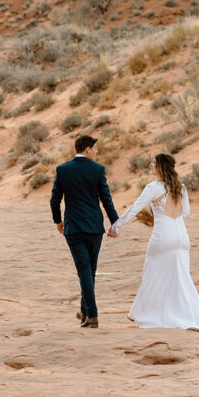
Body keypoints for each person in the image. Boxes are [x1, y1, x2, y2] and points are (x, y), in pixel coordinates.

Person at [108, 152, 199, 336]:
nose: (150, 164)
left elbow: (135, 208)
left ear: (160, 166)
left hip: (163, 237)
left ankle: (144, 313)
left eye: (153, 162)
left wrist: (116, 226)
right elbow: (186, 212)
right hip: (182, 237)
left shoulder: (153, 187)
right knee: (180, 277)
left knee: (152, 273)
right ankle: (179, 312)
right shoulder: (181, 187)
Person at [50, 134, 119, 329]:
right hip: (95, 227)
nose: (97, 152)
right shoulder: (97, 170)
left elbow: (54, 200)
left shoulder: (62, 170)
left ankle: (91, 315)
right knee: (90, 270)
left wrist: (58, 221)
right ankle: (85, 311)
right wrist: (115, 222)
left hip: (73, 228)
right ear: (87, 149)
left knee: (84, 270)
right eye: (95, 148)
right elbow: (106, 199)